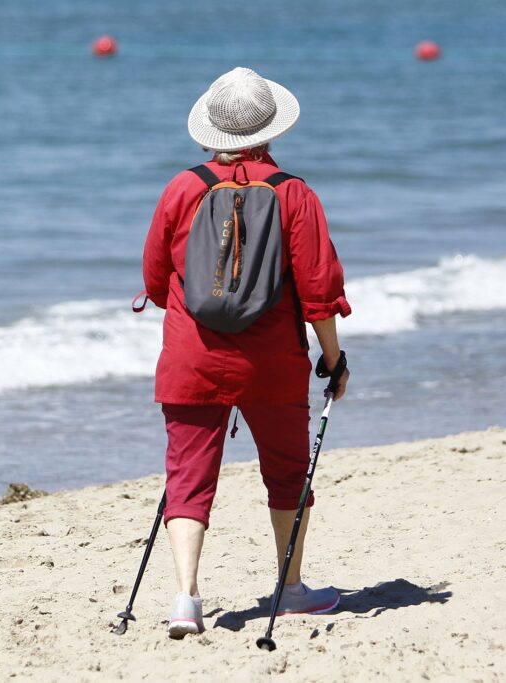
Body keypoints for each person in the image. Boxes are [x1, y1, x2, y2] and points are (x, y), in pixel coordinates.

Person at [140, 67, 351, 639]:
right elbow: (317, 292)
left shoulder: (182, 188)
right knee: (287, 474)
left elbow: (156, 280)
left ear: (212, 130)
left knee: (187, 477)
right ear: (271, 130)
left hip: (192, 356)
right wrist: (333, 360)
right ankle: (291, 590)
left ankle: (185, 599)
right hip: (273, 362)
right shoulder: (294, 192)